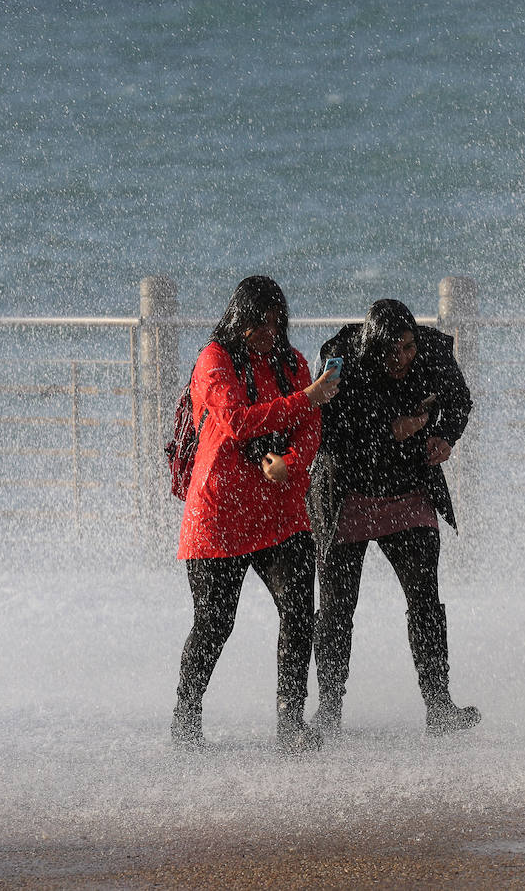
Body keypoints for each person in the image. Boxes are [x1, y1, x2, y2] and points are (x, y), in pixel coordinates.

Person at [172, 275, 340, 753]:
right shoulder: (213, 360)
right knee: (214, 622)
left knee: (298, 612)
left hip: (280, 514)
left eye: (275, 322)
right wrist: (308, 396)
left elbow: (312, 426)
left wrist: (294, 460)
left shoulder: (293, 363)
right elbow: (236, 422)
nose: (268, 332)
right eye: (258, 322)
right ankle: (185, 720)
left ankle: (290, 722)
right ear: (237, 320)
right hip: (219, 515)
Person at [307, 298, 480, 736]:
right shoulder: (341, 359)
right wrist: (391, 430)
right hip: (348, 495)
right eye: (391, 351)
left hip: (408, 493)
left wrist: (445, 436)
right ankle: (328, 710)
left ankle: (439, 707)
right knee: (336, 610)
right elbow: (327, 433)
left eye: (406, 348)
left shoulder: (431, 350)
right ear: (372, 348)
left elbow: (460, 399)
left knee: (425, 602)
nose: (401, 359)